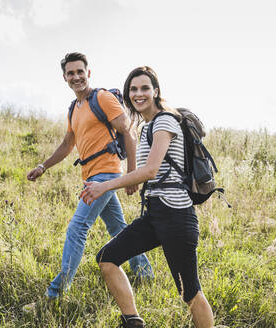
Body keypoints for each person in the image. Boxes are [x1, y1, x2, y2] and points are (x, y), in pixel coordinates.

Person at [81, 66, 214, 328]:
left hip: (176, 216)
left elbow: (151, 170)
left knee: (190, 292)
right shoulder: (147, 127)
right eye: (133, 89)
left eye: (144, 88)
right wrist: (132, 180)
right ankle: (133, 322)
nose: (138, 94)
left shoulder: (165, 121)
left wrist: (106, 186)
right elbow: (147, 172)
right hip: (155, 215)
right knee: (107, 259)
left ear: (156, 91)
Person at [26, 53, 153, 303]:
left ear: (88, 73)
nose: (76, 77)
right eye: (71, 73)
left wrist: (132, 173)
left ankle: (54, 296)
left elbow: (128, 131)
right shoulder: (74, 108)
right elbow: (66, 144)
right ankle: (145, 274)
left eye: (80, 71)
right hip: (90, 175)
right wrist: (44, 166)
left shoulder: (102, 98)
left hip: (106, 173)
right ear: (65, 78)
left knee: (77, 228)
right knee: (118, 228)